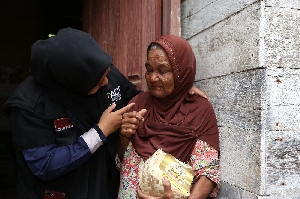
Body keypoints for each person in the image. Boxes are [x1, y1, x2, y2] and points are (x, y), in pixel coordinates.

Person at [2, 28, 206, 199]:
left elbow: (136, 97)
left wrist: (178, 91)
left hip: (104, 186)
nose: (106, 82)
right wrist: (101, 131)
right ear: (73, 82)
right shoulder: (28, 106)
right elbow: (45, 165)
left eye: (106, 74)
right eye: (98, 82)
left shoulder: (100, 70)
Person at [118, 35, 220, 199]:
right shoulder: (137, 103)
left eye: (162, 71)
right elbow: (124, 161)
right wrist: (123, 136)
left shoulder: (199, 109)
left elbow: (207, 173)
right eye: (149, 69)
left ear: (181, 73)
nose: (152, 78)